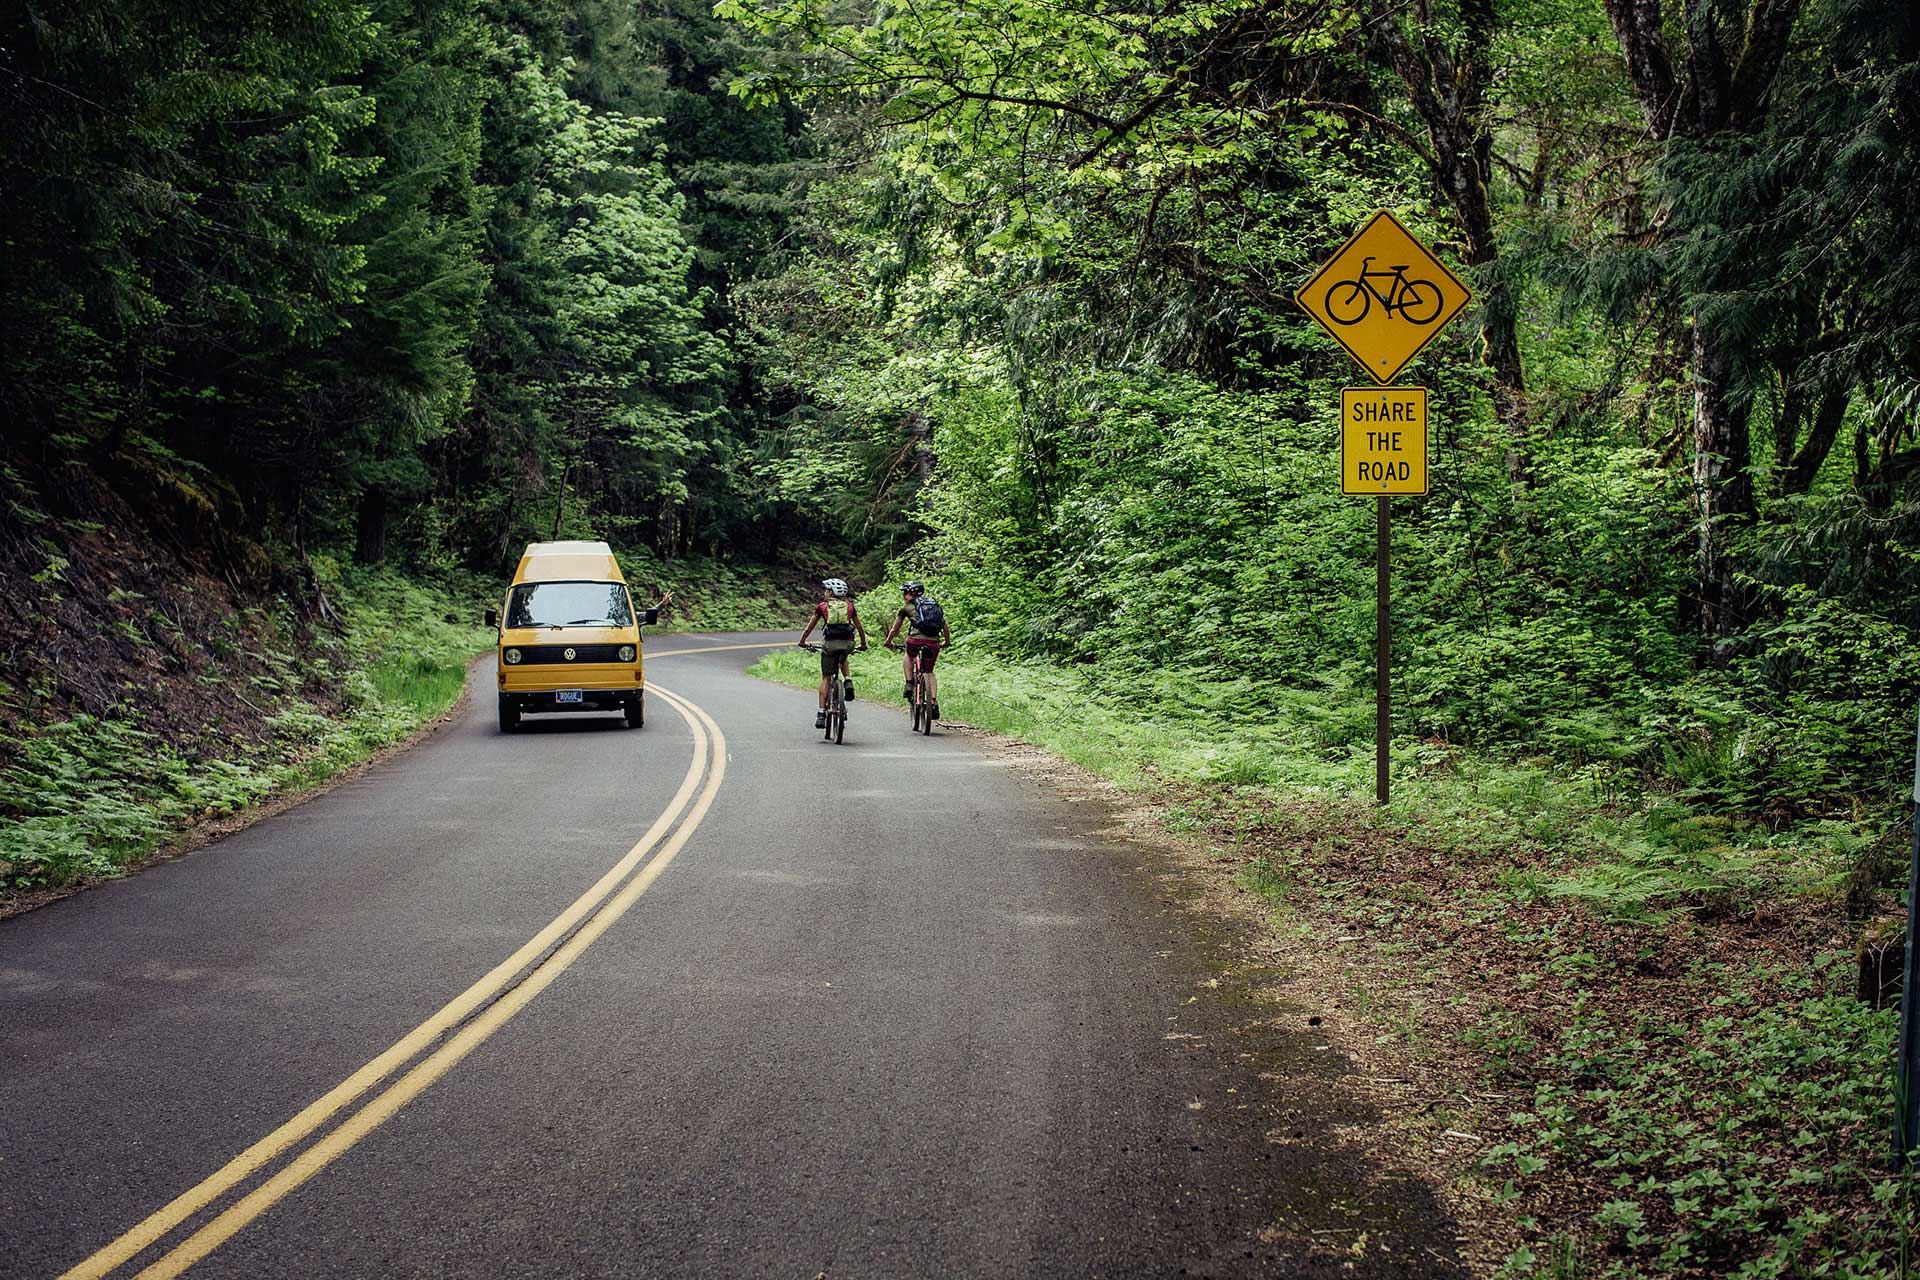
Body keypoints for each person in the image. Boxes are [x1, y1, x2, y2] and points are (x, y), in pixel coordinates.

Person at [796, 578, 867, 728]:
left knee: (826, 678)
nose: (824, 592)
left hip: (829, 645)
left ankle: (821, 713)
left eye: (826, 590)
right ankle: (848, 680)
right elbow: (859, 627)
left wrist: (802, 641)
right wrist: (863, 644)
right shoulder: (850, 606)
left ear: (830, 592)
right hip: (848, 644)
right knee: (843, 656)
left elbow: (810, 627)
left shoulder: (822, 607)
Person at [882, 580, 951, 721]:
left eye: (905, 593)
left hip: (915, 640)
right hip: (934, 642)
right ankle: (933, 702)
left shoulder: (906, 608)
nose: (903, 595)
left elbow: (895, 629)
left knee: (909, 653)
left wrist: (888, 641)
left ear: (911, 594)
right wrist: (946, 642)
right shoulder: (933, 605)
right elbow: (945, 627)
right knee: (929, 671)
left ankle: (909, 683)